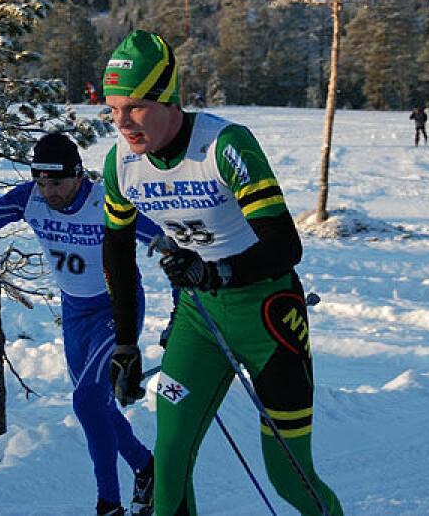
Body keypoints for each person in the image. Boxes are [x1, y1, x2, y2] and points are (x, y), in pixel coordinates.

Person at [100, 30, 344, 516]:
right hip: (199, 319)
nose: (122, 122)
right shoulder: (121, 165)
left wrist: (220, 271)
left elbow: (285, 244)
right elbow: (117, 252)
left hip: (267, 314)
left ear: (168, 98)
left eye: (135, 107)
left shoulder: (224, 146)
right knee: (167, 468)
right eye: (112, 109)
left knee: (289, 477)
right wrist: (125, 342)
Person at [0, 133, 157, 516]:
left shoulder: (106, 201)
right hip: (75, 313)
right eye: (41, 181)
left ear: (77, 176)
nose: (48, 191)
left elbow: (167, 238)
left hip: (116, 310)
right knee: (97, 406)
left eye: (56, 182)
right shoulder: (30, 198)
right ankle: (146, 468)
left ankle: (109, 504)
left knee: (88, 400)